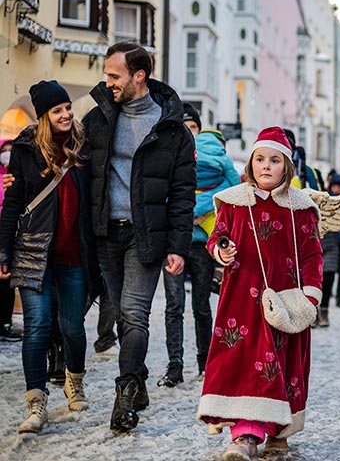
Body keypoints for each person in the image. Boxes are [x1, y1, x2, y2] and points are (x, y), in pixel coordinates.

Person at [83, 41, 195, 432]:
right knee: (119, 319)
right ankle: (139, 379)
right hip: (103, 234)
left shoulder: (174, 131)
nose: (107, 81)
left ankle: (125, 395)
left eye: (114, 75)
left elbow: (183, 193)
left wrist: (179, 245)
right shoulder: (98, 119)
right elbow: (73, 168)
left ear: (138, 76)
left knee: (134, 315)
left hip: (145, 237)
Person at [199, 127, 324, 460]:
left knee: (281, 364)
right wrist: (221, 250)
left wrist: (311, 296)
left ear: (287, 166)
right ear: (250, 164)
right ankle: (245, 435)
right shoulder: (233, 202)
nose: (266, 166)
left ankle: (278, 431)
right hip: (241, 300)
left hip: (286, 300)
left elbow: (312, 253)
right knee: (242, 363)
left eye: (274, 160)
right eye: (260, 159)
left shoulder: (301, 207)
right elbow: (218, 236)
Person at [0, 81, 101, 433]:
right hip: (32, 250)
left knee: (72, 328)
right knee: (38, 327)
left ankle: (74, 380)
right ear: (44, 116)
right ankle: (35, 403)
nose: (66, 114)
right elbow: (13, 202)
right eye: (57, 110)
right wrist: (2, 249)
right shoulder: (25, 149)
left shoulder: (85, 144)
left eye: (68, 108)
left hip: (75, 254)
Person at [160, 128, 240, 387]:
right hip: (175, 244)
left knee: (201, 306)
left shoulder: (191, 156)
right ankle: (176, 365)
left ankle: (205, 362)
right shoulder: (184, 157)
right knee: (175, 306)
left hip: (204, 248)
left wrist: (191, 209)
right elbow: (234, 188)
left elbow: (234, 193)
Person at [318, 173, 340, 327]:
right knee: (318, 280)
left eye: (339, 187)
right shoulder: (323, 201)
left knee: (330, 276)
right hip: (320, 244)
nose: (336, 189)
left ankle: (325, 310)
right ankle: (314, 312)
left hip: (335, 246)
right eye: (334, 186)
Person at [0, 138, 21, 342]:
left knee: (7, 283)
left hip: (11, 234)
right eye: (4, 150)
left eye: (10, 150)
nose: (7, 154)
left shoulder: (15, 176)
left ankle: (6, 323)